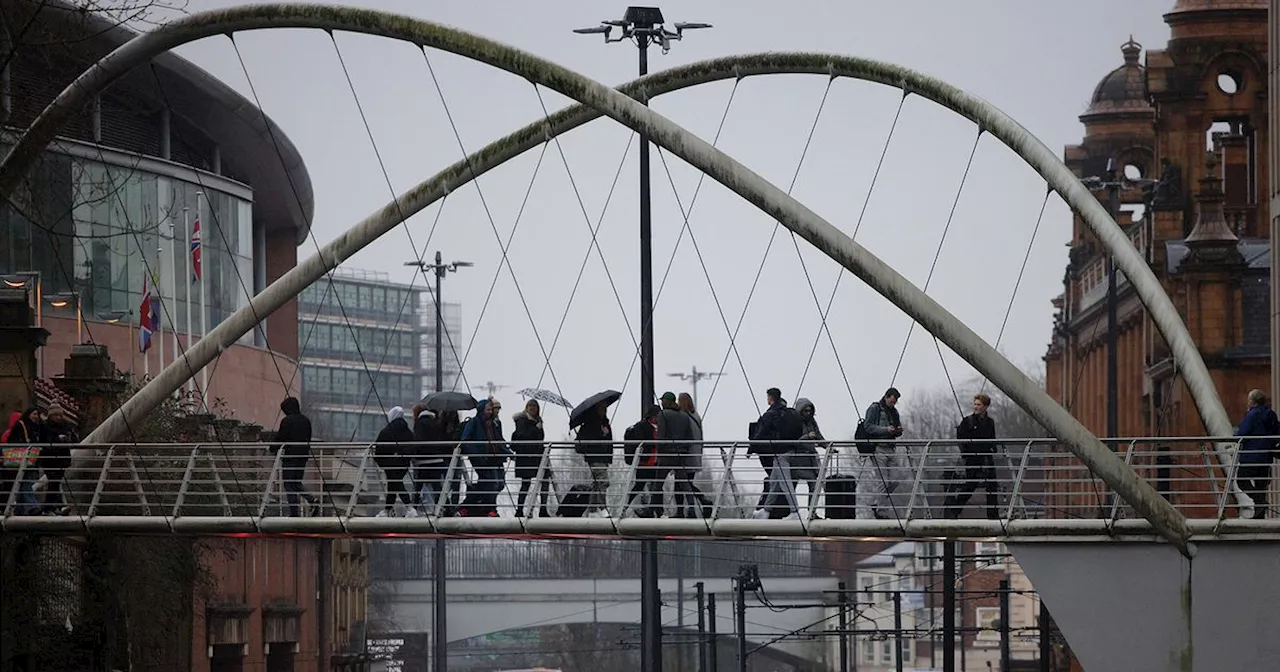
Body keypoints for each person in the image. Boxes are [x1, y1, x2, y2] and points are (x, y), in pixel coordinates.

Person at [750, 388, 806, 520]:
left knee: (785, 482)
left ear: (770, 397)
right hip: (790, 449)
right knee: (774, 482)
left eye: (768, 397)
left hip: (780, 452)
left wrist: (752, 447)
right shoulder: (787, 412)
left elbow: (760, 432)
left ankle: (795, 511)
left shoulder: (771, 414)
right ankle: (766, 510)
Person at [942, 393, 1000, 520]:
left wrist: (993, 448)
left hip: (986, 458)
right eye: (975, 404)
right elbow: (961, 438)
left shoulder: (990, 422)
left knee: (992, 485)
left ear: (985, 406)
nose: (976, 407)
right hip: (973, 458)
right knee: (971, 484)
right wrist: (966, 453)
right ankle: (955, 509)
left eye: (979, 404)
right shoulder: (968, 421)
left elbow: (992, 438)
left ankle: (993, 515)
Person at [458, 398, 512, 517]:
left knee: (494, 483)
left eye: (491, 410)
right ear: (481, 410)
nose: (490, 412)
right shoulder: (474, 422)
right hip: (480, 458)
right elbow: (465, 441)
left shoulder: (493, 424)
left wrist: (508, 452)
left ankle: (472, 505)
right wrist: (477, 454)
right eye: (488, 409)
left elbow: (498, 440)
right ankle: (489, 508)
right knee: (491, 481)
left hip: (492, 458)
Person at [861, 387, 905, 520]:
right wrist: (885, 429)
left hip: (891, 448)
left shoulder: (894, 412)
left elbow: (897, 429)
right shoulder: (874, 409)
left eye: (895, 402)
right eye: (891, 401)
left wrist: (898, 430)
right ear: (886, 397)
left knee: (895, 480)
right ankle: (881, 511)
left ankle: (877, 503)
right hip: (878, 448)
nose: (893, 404)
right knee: (883, 481)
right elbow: (868, 426)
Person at [1234, 388, 1279, 517]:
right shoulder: (1271, 414)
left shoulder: (1252, 414)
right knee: (1261, 486)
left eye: (1249, 399)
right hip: (1266, 457)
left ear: (1253, 402)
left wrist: (1235, 434)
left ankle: (1259, 501)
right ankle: (1259, 515)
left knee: (1241, 479)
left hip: (1251, 457)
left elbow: (1242, 433)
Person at [656, 392, 698, 518]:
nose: (662, 403)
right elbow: (690, 437)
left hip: (666, 456)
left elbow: (661, 438)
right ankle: (692, 508)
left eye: (663, 401)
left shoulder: (663, 414)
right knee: (685, 484)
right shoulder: (685, 416)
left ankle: (655, 509)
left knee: (657, 484)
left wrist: (660, 450)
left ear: (667, 402)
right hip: (681, 455)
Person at [272, 396, 313, 517]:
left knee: (289, 484)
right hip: (303, 456)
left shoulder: (287, 421)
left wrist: (272, 448)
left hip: (290, 457)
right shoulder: (306, 420)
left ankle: (294, 513)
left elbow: (281, 438)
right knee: (296, 482)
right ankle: (311, 500)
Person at [512, 399, 552, 518]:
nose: (532, 408)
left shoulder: (538, 421)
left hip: (536, 456)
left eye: (534, 406)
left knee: (545, 480)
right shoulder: (521, 421)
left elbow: (539, 439)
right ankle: (519, 510)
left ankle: (543, 509)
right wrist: (536, 428)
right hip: (526, 457)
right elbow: (524, 435)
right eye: (530, 405)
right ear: (526, 407)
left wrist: (538, 427)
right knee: (526, 483)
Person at [574, 402, 614, 518]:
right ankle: (602, 507)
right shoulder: (590, 424)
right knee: (603, 481)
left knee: (596, 484)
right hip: (595, 457)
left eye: (605, 409)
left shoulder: (605, 423)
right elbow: (589, 439)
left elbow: (608, 441)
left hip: (603, 457)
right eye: (601, 409)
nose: (604, 412)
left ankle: (592, 510)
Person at [623, 404, 663, 517]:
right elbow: (640, 441)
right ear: (651, 416)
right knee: (640, 485)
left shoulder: (659, 427)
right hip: (644, 462)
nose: (657, 419)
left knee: (657, 487)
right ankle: (625, 506)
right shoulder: (641, 426)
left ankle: (659, 511)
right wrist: (654, 444)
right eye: (656, 416)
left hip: (655, 462)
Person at [375, 406, 414, 516]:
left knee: (394, 482)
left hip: (389, 463)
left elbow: (379, 448)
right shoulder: (408, 431)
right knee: (394, 483)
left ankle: (408, 507)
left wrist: (382, 462)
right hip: (403, 463)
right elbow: (412, 446)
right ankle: (389, 508)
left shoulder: (386, 431)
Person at [2, 408, 42, 515]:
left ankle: (20, 509)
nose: (36, 416)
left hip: (27, 460)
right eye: (34, 414)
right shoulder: (22, 426)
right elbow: (13, 441)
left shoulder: (33, 427)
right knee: (26, 482)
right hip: (23, 459)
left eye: (37, 414)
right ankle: (32, 507)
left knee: (22, 483)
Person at [40, 403, 78, 515]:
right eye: (56, 415)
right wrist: (57, 439)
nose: (59, 417)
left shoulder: (66, 426)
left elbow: (75, 440)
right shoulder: (45, 426)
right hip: (49, 459)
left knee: (55, 482)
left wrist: (69, 438)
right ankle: (50, 508)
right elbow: (44, 441)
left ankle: (54, 507)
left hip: (62, 458)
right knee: (54, 482)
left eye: (60, 415)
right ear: (50, 415)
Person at [793, 398, 823, 518]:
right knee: (792, 484)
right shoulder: (794, 421)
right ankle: (791, 511)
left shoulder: (811, 422)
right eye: (805, 411)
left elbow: (818, 436)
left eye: (810, 411)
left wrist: (827, 446)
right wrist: (806, 437)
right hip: (798, 457)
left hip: (810, 458)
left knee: (814, 484)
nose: (808, 413)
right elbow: (792, 440)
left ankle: (812, 512)